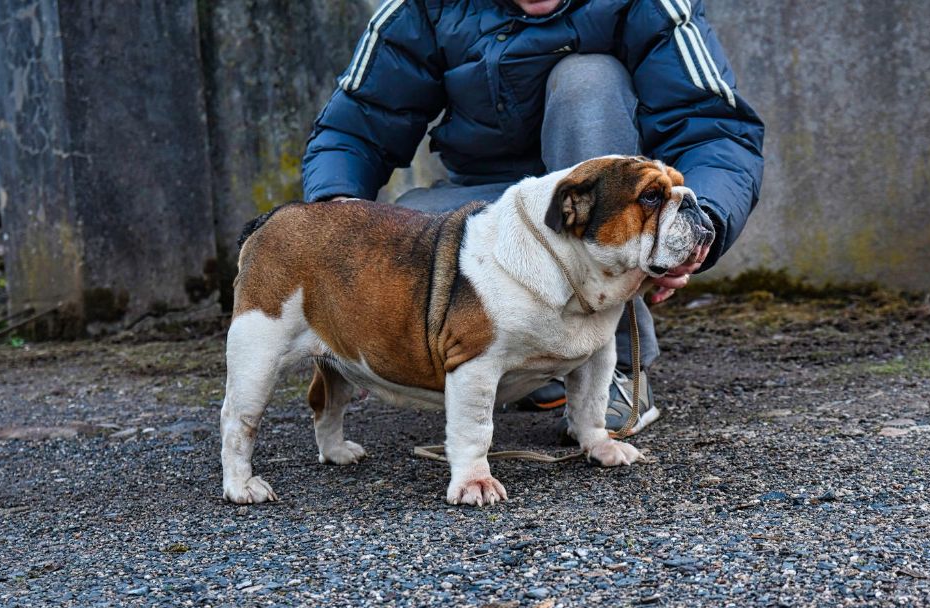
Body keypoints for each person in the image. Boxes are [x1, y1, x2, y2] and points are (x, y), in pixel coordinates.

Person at [302, 0, 763, 437]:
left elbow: (714, 128)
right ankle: (516, 362)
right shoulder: (424, 7)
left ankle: (615, 369)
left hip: (611, 206)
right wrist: (336, 211)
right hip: (490, 205)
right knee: (408, 235)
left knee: (588, 77)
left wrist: (702, 227)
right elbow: (354, 125)